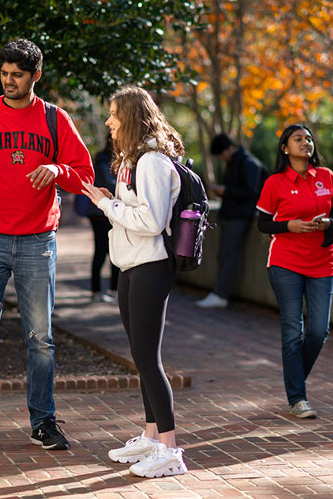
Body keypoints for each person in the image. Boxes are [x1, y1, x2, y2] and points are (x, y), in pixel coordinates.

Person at [0, 38, 93, 455]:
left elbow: (83, 175)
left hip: (37, 242)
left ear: (35, 76)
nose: (9, 81)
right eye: (5, 74)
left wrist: (56, 168)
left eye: (18, 75)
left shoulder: (55, 119)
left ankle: (43, 422)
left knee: (40, 338)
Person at [81, 86, 187, 478]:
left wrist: (108, 204)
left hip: (150, 266)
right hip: (131, 265)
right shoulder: (133, 160)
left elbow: (153, 222)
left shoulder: (153, 162)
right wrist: (110, 201)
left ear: (130, 116)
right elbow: (136, 213)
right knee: (140, 357)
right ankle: (151, 436)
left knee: (148, 359)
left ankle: (171, 450)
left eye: (113, 114)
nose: (108, 121)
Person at [256, 123, 333, 419]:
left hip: (322, 260)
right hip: (285, 262)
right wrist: (289, 225)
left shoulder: (327, 177)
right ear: (285, 148)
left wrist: (329, 223)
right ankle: (297, 398)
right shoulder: (275, 182)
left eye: (308, 138)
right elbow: (262, 223)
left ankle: (294, 379)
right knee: (293, 331)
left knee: (319, 331)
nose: (305, 142)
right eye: (298, 139)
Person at [196, 133, 266, 308]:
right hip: (230, 214)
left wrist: (225, 190)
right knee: (223, 255)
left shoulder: (248, 162)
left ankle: (221, 294)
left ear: (228, 149)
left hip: (240, 216)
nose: (222, 158)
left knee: (228, 256)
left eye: (222, 154)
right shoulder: (236, 162)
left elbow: (252, 191)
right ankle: (219, 292)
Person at [87, 136, 119, 303]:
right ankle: (99, 291)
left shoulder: (103, 158)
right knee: (104, 251)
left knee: (108, 250)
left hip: (102, 210)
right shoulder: (103, 160)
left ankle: (109, 290)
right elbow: (109, 183)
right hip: (101, 212)